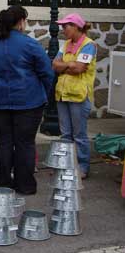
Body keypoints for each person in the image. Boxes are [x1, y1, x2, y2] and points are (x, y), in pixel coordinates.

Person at [0, 5, 54, 194]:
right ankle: (25, 185)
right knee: (25, 143)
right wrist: (44, 93)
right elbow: (47, 72)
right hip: (29, 102)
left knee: (3, 141)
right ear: (21, 22)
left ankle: (3, 183)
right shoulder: (30, 44)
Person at [52, 13, 97, 179]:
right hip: (62, 95)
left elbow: (79, 68)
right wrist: (69, 65)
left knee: (79, 135)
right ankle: (66, 167)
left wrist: (65, 65)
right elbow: (54, 65)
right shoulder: (65, 45)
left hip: (78, 96)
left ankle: (82, 167)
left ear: (76, 26)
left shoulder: (88, 45)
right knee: (65, 135)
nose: (63, 30)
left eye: (66, 26)